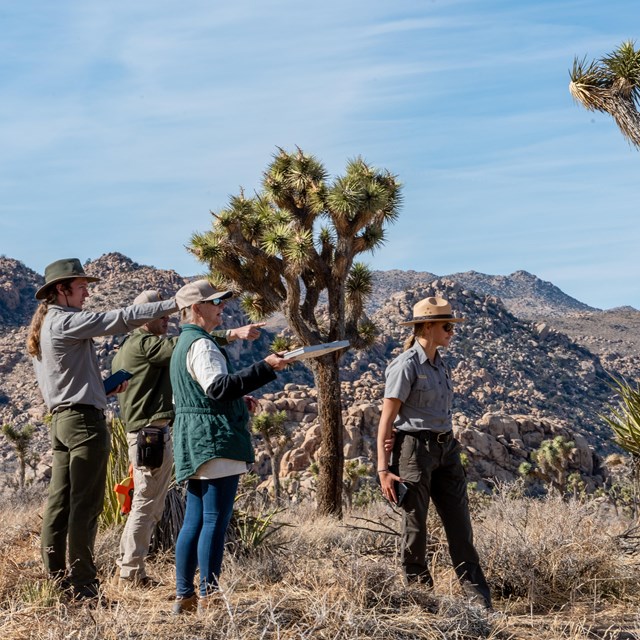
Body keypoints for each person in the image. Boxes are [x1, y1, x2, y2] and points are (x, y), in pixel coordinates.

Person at [26, 258, 179, 601]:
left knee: (59, 504)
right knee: (86, 505)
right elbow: (120, 319)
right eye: (81, 287)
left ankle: (55, 581)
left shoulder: (46, 326)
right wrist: (176, 302)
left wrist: (103, 388)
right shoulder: (66, 321)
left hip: (63, 422)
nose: (86, 293)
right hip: (83, 424)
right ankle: (84, 587)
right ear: (61, 290)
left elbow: (67, 383)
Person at [112, 288, 266, 589]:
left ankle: (175, 588)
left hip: (150, 433)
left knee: (159, 506)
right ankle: (131, 572)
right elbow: (187, 345)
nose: (167, 319)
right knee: (149, 504)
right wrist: (234, 335)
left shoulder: (129, 347)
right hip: (151, 434)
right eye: (161, 315)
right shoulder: (145, 344)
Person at [169, 279, 291, 614]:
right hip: (215, 441)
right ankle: (210, 596)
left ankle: (185, 595)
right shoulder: (204, 346)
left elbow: (200, 394)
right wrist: (266, 366)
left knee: (194, 520)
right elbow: (219, 388)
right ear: (197, 308)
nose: (222, 307)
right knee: (214, 520)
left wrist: (240, 399)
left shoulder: (183, 344)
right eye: (216, 303)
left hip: (192, 439)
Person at [376, 296, 492, 609]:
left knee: (460, 525)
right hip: (414, 449)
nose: (451, 331)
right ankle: (421, 598)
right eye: (446, 326)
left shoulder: (440, 365)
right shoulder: (405, 365)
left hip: (446, 448)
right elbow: (386, 420)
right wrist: (383, 470)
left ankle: (479, 601)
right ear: (428, 326)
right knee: (415, 525)